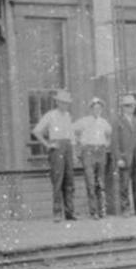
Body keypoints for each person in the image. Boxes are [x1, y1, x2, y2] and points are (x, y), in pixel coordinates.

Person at [32, 89, 77, 222]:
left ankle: (70, 212)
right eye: (62, 102)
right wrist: (48, 145)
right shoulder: (50, 115)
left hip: (67, 147)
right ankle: (57, 213)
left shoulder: (68, 116)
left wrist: (73, 154)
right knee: (58, 180)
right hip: (56, 148)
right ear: (57, 102)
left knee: (69, 181)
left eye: (67, 103)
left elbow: (72, 136)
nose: (64, 105)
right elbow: (36, 131)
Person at [73, 97, 112, 219]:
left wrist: (106, 143)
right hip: (88, 152)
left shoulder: (104, 122)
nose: (97, 110)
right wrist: (80, 143)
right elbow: (72, 130)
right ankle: (93, 211)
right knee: (90, 182)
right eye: (95, 108)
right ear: (91, 109)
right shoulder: (84, 121)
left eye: (99, 108)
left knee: (100, 182)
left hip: (100, 151)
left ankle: (102, 211)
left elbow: (109, 135)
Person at [112, 94, 136, 216]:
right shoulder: (118, 121)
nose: (129, 108)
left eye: (131, 106)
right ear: (122, 107)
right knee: (124, 185)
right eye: (127, 106)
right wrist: (118, 158)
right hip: (125, 158)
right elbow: (115, 142)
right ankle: (125, 209)